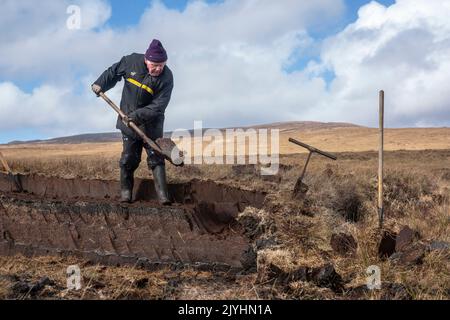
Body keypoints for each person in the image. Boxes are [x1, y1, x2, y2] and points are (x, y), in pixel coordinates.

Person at [91, 39, 173, 205]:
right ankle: (126, 194)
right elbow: (113, 72)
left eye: (162, 65)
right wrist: (100, 83)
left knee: (156, 157)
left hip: (152, 124)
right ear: (146, 60)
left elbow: (158, 106)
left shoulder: (167, 77)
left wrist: (136, 115)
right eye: (154, 65)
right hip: (127, 121)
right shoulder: (130, 62)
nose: (158, 68)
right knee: (129, 158)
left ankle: (164, 197)